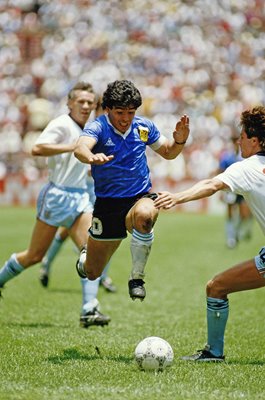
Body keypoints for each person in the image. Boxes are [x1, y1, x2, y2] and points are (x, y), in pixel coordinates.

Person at [154, 105, 265, 361]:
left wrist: (177, 197)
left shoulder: (246, 167)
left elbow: (211, 184)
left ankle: (214, 352)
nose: (239, 142)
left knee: (216, 287)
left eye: (243, 137)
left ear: (255, 141)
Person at [0, 81, 110, 328]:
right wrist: (74, 146)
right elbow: (37, 148)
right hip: (57, 195)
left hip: (80, 196)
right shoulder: (62, 124)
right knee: (34, 256)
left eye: (89, 103)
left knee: (91, 253)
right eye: (80, 101)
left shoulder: (92, 128)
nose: (85, 105)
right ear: (69, 103)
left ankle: (89, 309)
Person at [74, 79, 190, 301]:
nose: (126, 118)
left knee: (146, 216)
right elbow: (80, 148)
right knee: (91, 272)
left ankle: (137, 278)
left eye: (130, 112)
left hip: (139, 197)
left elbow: (168, 152)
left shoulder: (144, 127)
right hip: (107, 204)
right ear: (108, 109)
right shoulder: (98, 127)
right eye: (119, 112)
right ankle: (85, 255)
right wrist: (91, 157)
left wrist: (180, 141)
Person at [39, 171, 117, 293]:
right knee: (67, 231)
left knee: (105, 232)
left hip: (102, 186)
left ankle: (103, 277)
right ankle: (46, 263)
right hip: (82, 187)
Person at [218, 134, 253, 248]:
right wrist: (220, 191)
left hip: (242, 189)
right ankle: (230, 238)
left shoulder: (245, 157)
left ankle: (236, 233)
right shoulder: (228, 157)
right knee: (230, 213)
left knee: (244, 214)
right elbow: (221, 172)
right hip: (230, 189)